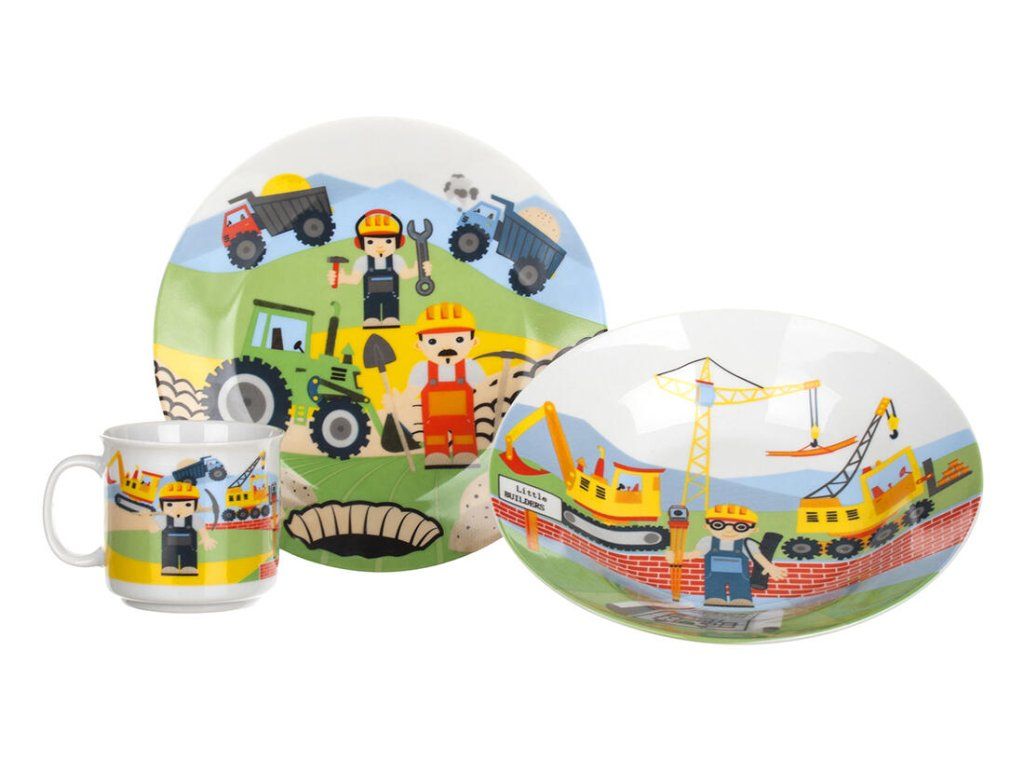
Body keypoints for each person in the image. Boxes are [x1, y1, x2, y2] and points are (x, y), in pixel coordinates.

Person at [397, 302, 485, 468]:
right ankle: (436, 455)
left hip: (463, 418)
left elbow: (484, 389)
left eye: (459, 339)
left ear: (474, 342)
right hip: (433, 419)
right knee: (434, 439)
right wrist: (397, 401)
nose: (446, 348)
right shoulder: (421, 369)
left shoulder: (470, 367)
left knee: (464, 437)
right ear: (419, 345)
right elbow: (411, 392)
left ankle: (465, 454)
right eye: (432, 341)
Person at [328, 209, 428, 328]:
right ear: (360, 244)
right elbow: (354, 280)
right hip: (370, 298)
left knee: (391, 318)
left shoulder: (397, 260)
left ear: (399, 242)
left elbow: (406, 275)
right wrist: (341, 278)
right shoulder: (362, 262)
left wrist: (420, 270)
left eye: (388, 241)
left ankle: (391, 318)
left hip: (391, 297)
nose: (380, 246)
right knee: (371, 318)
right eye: (370, 242)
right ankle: (371, 319)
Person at [684, 504, 787, 607]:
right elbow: (696, 553)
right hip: (714, 574)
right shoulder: (707, 541)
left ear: (754, 529)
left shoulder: (747, 543)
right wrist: (679, 556)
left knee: (740, 589)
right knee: (714, 587)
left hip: (739, 575)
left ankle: (741, 598)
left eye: (741, 527)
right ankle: (715, 597)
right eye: (718, 525)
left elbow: (757, 556)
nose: (729, 530)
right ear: (706, 526)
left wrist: (769, 567)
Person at [150, 481, 217, 576]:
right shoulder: (163, 520)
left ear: (195, 505)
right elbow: (153, 529)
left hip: (189, 547)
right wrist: (147, 518)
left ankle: (189, 566)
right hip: (169, 547)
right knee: (169, 556)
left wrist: (206, 538)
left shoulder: (195, 519)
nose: (178, 509)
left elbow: (201, 529)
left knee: (189, 556)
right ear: (161, 505)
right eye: (169, 504)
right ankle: (169, 566)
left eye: (188, 504)